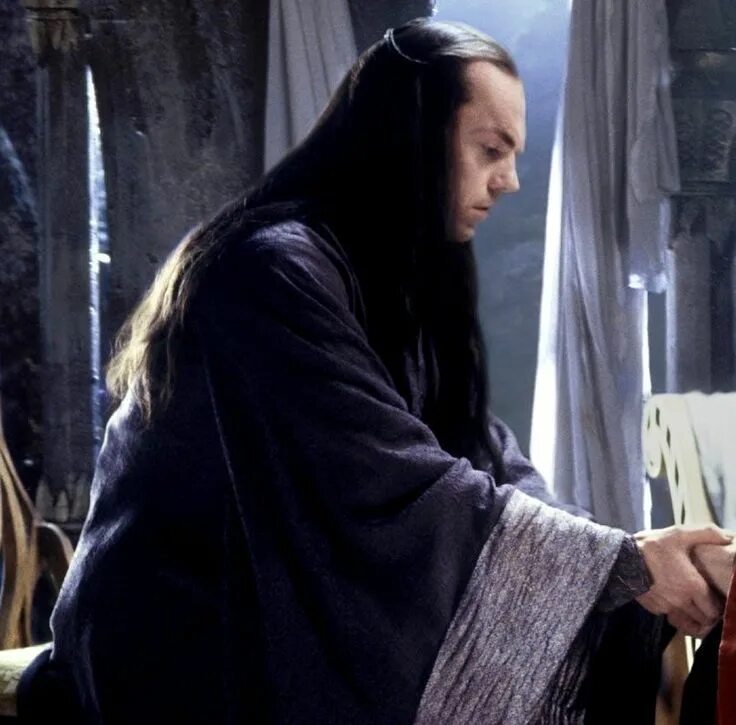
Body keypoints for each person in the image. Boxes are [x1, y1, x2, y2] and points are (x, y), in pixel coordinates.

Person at [34, 18, 735, 724]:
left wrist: (627, 563)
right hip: (191, 637)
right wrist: (621, 563)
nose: (510, 180)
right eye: (491, 149)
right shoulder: (269, 271)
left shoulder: (399, 286)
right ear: (413, 136)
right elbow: (387, 483)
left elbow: (485, 460)